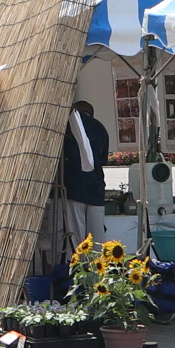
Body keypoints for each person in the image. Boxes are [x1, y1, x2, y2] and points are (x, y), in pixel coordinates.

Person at [59, 98, 108, 249]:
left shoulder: (67, 126)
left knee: (76, 239)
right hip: (96, 189)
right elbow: (103, 160)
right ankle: (98, 263)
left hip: (74, 187)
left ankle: (76, 263)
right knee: (97, 239)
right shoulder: (100, 128)